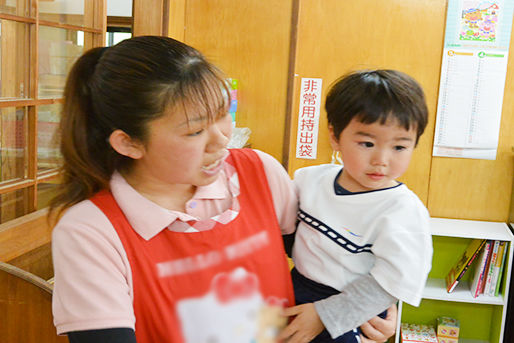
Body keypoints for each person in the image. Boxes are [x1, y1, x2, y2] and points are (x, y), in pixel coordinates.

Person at [50, 36, 397, 343]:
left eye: (223, 113)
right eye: (194, 131)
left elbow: (332, 259)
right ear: (128, 143)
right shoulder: (90, 232)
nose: (221, 139)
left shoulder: (258, 172)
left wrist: (366, 306)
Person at [279, 70, 433, 343]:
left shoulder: (402, 211)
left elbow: (392, 282)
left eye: (399, 147)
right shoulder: (310, 180)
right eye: (367, 143)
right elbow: (284, 230)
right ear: (335, 137)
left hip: (351, 306)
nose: (381, 160)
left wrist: (326, 315)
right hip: (296, 286)